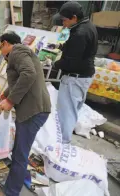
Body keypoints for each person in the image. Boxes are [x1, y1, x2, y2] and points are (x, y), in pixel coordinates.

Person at [0, 32, 51, 196]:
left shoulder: (17, 52)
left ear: (5, 43)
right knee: (19, 151)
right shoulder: (19, 53)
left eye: (0, 46)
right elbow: (18, 79)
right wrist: (5, 94)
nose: (0, 50)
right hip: (33, 109)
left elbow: (28, 74)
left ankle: (12, 192)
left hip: (33, 111)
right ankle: (11, 186)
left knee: (20, 154)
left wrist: (11, 101)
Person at [53, 2, 98, 143]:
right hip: (83, 76)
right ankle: (63, 142)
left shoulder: (80, 33)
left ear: (74, 17)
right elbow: (77, 50)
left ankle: (62, 145)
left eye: (65, 20)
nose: (63, 23)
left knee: (66, 114)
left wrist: (53, 63)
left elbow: (71, 61)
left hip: (75, 77)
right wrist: (62, 47)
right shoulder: (87, 25)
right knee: (71, 111)